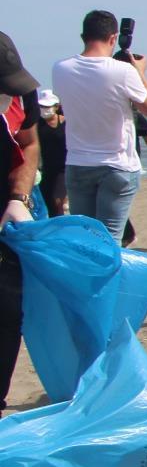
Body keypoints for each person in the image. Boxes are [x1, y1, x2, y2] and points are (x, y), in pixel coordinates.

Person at [51, 10, 147, 241]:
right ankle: (108, 278)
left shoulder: (60, 68)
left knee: (86, 239)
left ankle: (87, 278)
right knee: (110, 240)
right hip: (116, 164)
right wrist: (140, 72)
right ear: (113, 38)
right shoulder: (123, 71)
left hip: (78, 162)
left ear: (83, 36)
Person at [0, 31, 41, 417]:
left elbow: (28, 145)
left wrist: (18, 197)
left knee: (9, 313)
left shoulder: (20, 98)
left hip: (5, 226)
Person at [36, 89, 68, 217]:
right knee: (47, 201)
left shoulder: (66, 122)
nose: (45, 109)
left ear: (56, 106)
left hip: (64, 167)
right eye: (42, 106)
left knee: (58, 200)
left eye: (48, 106)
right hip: (46, 169)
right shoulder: (37, 124)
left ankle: (61, 227)